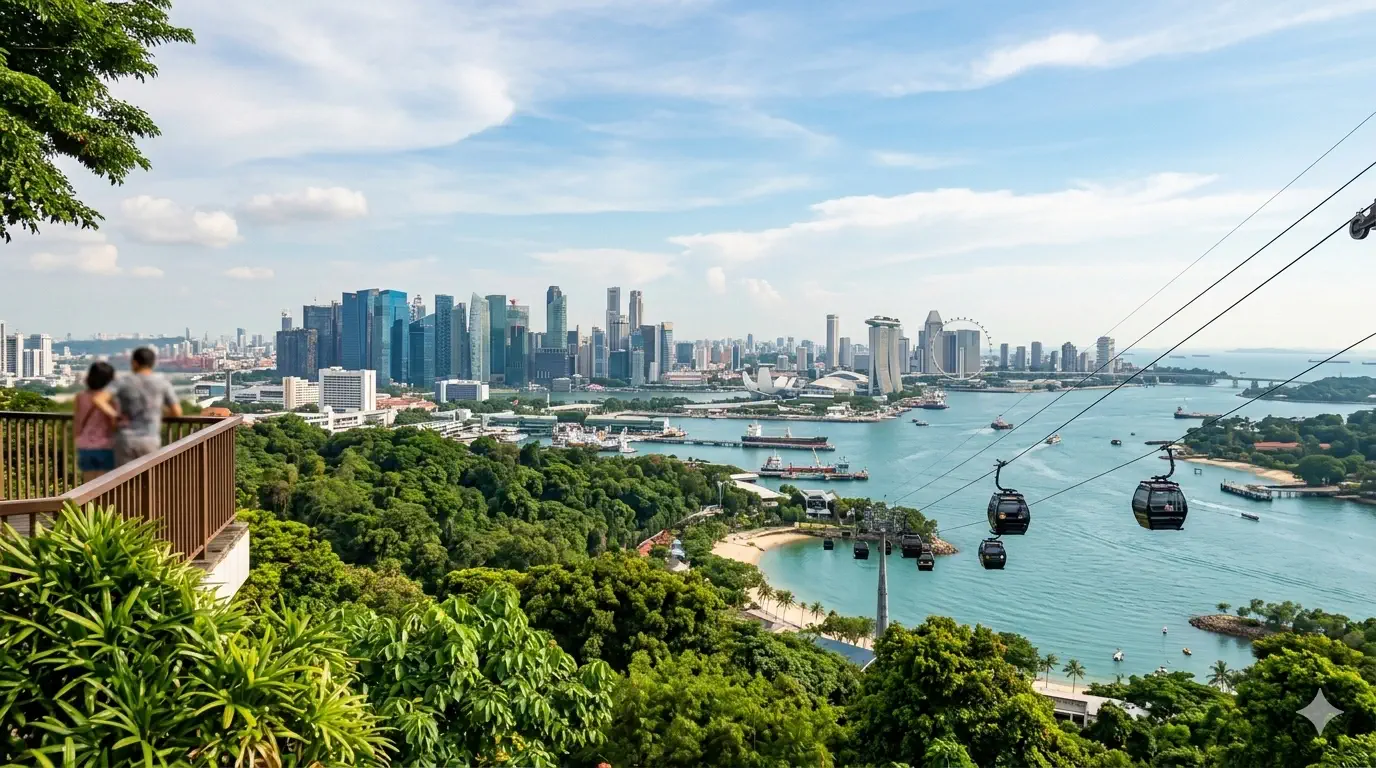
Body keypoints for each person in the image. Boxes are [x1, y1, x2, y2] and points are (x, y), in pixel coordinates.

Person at [112, 347, 181, 466]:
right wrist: (159, 414)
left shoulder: (123, 381)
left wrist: (114, 415)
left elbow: (100, 398)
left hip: (125, 440)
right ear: (153, 363)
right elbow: (177, 412)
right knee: (148, 480)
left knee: (123, 480)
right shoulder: (162, 383)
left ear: (134, 362)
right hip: (150, 438)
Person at [74, 362, 119, 482]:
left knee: (88, 484)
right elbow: (114, 423)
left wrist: (78, 440)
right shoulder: (109, 398)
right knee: (104, 485)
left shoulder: (81, 396)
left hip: (85, 444)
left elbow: (78, 423)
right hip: (106, 445)